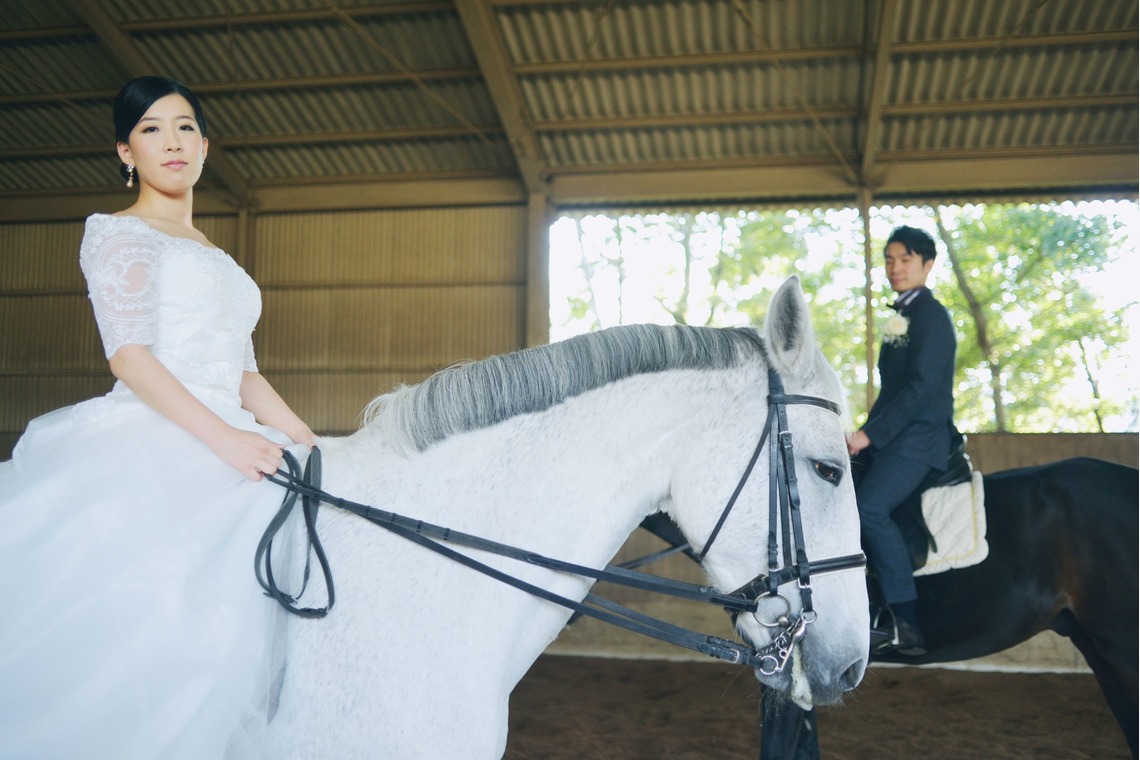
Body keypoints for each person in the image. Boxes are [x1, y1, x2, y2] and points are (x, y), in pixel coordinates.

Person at [0, 76, 314, 759]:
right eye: (150, 129)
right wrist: (226, 440)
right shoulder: (119, 234)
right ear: (126, 152)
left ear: (204, 146)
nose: (171, 142)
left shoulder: (216, 256)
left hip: (232, 435)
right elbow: (130, 358)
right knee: (159, 636)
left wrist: (305, 437)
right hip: (158, 443)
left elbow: (241, 372)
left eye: (184, 127)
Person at [846, 224, 958, 656]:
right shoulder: (902, 317)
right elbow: (890, 392)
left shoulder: (931, 316)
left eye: (905, 259)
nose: (895, 268)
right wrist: (860, 433)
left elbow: (920, 389)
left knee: (869, 509)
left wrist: (870, 435)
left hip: (920, 440)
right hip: (894, 437)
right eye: (889, 260)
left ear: (927, 265)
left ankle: (906, 624)